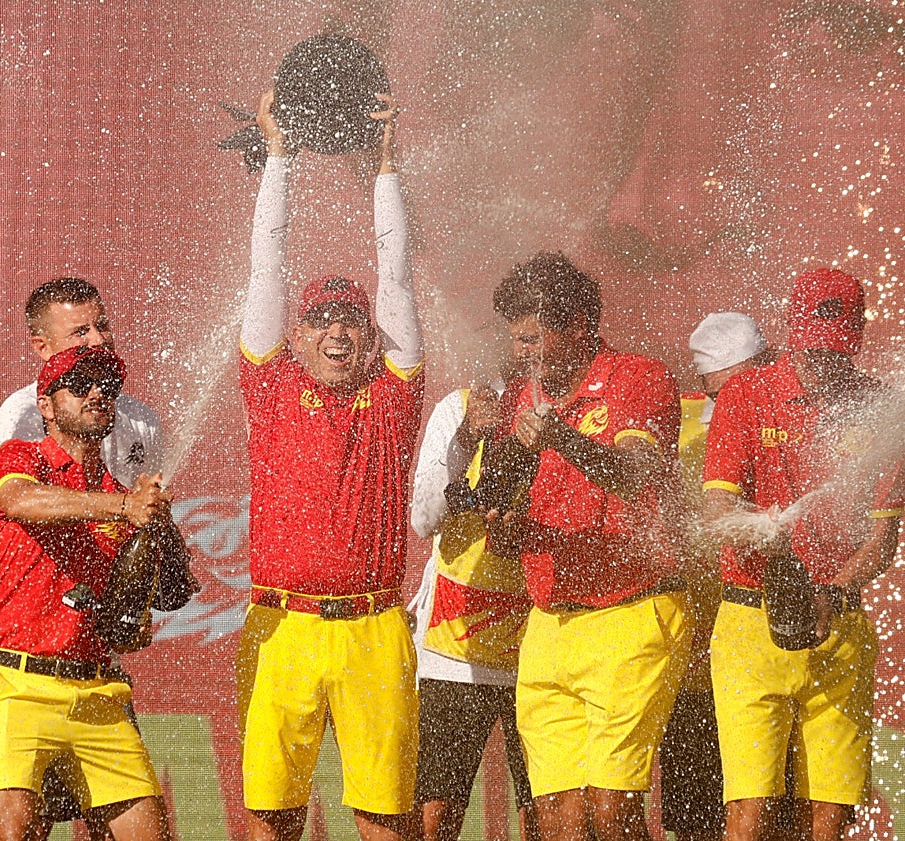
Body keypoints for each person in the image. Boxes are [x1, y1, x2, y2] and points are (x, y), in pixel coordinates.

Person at [235, 86, 423, 841]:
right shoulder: (271, 385)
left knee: (382, 818)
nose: (337, 331)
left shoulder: (394, 398)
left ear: (370, 337)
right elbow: (266, 270)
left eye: (351, 319)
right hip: (280, 623)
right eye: (320, 320)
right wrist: (278, 155)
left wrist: (386, 169)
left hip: (374, 628)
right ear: (298, 336)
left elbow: (398, 278)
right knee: (271, 817)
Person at [492, 252, 690, 841]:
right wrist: (507, 528)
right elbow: (519, 505)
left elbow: (635, 473)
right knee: (556, 822)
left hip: (630, 614)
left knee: (612, 813)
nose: (522, 352)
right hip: (549, 623)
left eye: (533, 337)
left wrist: (561, 437)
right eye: (516, 339)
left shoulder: (639, 378)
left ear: (578, 324)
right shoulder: (520, 399)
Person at [702, 268, 904, 841]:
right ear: (791, 335)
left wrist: (830, 592)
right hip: (748, 621)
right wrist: (770, 553)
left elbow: (881, 539)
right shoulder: (747, 393)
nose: (823, 366)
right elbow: (718, 507)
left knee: (830, 817)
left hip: (838, 623)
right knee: (750, 812)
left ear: (854, 346)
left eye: (835, 354)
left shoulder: (880, 408)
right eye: (812, 351)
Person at [0, 344, 172, 841]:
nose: (97, 391)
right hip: (9, 680)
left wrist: (133, 614)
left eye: (107, 384)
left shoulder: (122, 492)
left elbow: (136, 613)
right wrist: (122, 507)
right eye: (79, 384)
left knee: (151, 833)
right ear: (47, 406)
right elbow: (21, 501)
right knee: (14, 829)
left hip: (96, 688)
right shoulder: (21, 457)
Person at [407, 378, 538, 841]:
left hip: (542, 639)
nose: (527, 350)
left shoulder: (575, 405)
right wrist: (466, 438)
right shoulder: (460, 406)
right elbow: (423, 520)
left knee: (542, 811)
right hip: (454, 643)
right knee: (436, 810)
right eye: (519, 335)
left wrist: (526, 529)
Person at [663, 312, 773, 841]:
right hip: (691, 648)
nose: (753, 388)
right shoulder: (679, 421)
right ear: (707, 381)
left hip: (768, 637)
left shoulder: (790, 412)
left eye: (764, 370)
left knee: (776, 807)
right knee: (697, 813)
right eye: (737, 381)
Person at [0, 276, 161, 487]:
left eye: (102, 326)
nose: (99, 340)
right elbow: (20, 499)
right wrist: (124, 507)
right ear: (43, 347)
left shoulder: (142, 419)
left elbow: (150, 506)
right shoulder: (20, 412)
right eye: (80, 332)